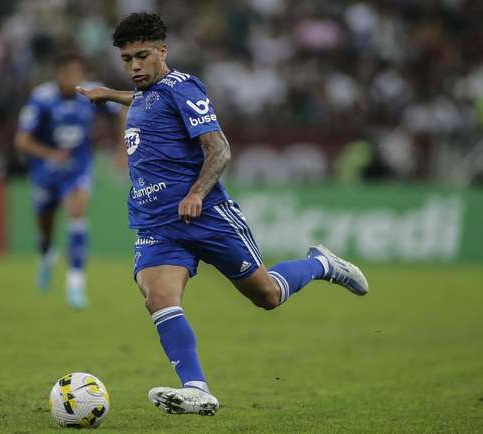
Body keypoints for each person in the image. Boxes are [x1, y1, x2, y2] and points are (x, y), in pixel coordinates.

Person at [77, 12, 368, 415]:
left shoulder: (183, 87)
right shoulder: (145, 94)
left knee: (267, 295)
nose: (135, 66)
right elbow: (145, 100)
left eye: (142, 56)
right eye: (127, 59)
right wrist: (108, 93)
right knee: (158, 296)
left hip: (206, 216)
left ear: (163, 51)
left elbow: (220, 148)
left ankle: (320, 264)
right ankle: (197, 388)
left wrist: (197, 193)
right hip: (157, 223)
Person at [15, 52, 125, 309]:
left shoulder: (89, 93)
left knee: (77, 214)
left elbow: (121, 110)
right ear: (59, 74)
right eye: (70, 74)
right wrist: (50, 153)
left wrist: (122, 150)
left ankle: (76, 285)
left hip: (78, 167)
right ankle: (46, 256)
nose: (76, 79)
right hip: (45, 170)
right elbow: (21, 141)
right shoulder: (41, 99)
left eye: (79, 73)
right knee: (45, 225)